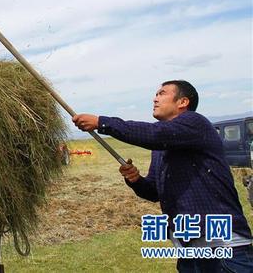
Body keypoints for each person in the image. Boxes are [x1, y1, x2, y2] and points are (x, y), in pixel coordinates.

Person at [72, 80, 253, 272]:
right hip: (189, 255)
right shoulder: (161, 148)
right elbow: (153, 191)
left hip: (225, 252)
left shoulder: (195, 123)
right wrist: (136, 180)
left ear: (183, 102)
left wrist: (102, 122)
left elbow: (153, 134)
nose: (155, 98)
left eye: (161, 93)